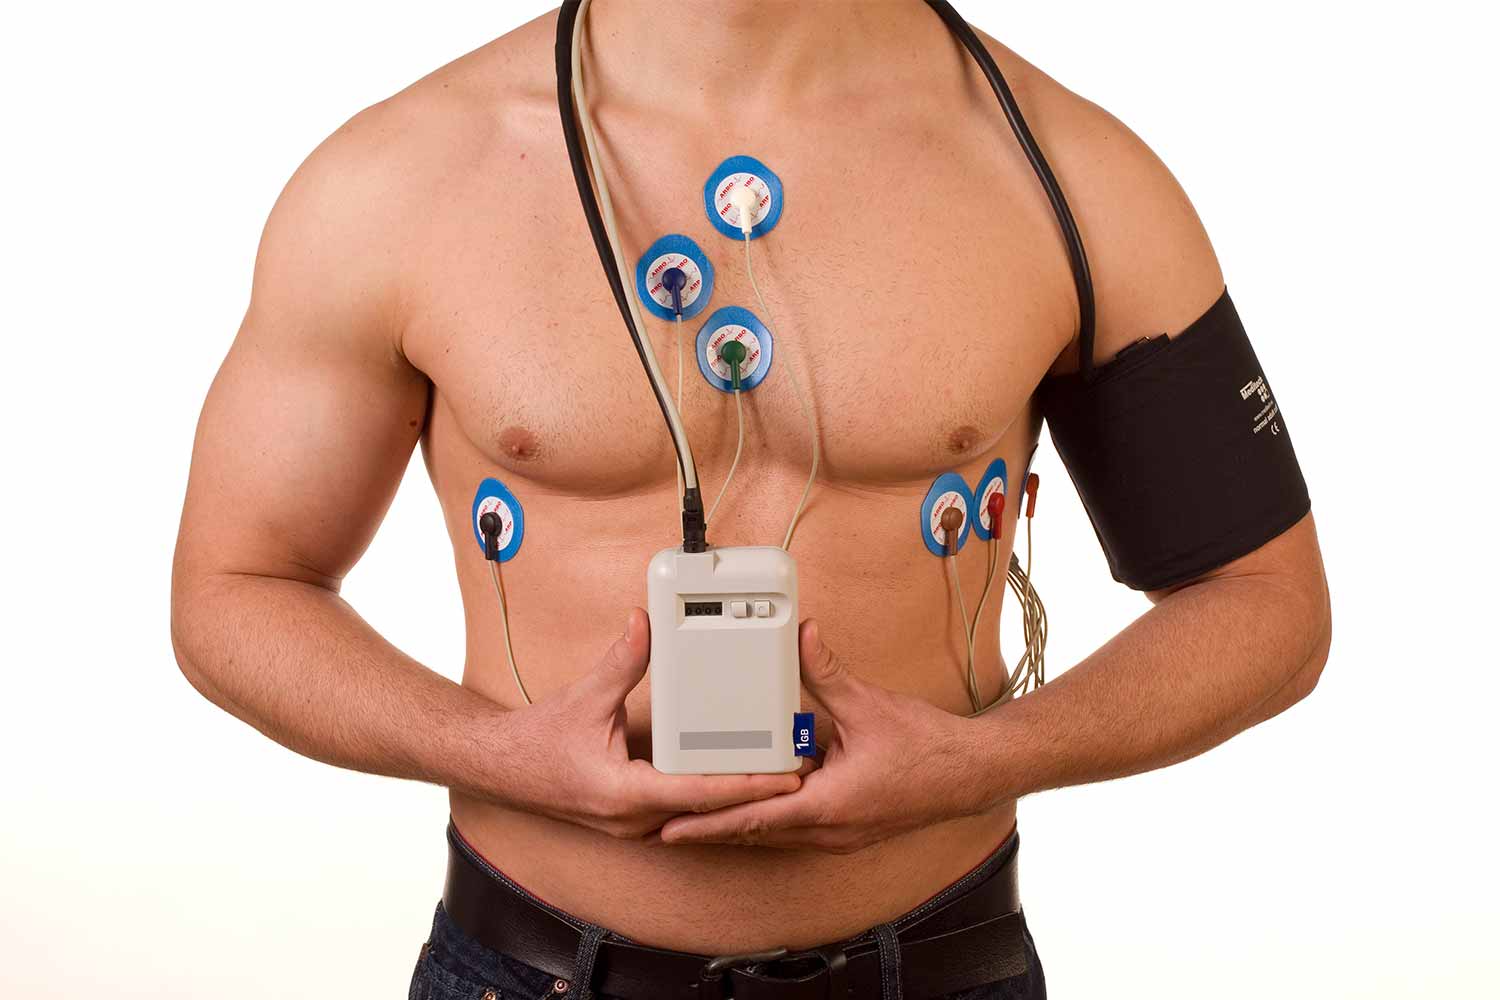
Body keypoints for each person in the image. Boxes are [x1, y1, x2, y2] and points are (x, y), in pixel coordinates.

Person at [171, 3, 1331, 997]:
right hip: (530, 966)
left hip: (941, 961)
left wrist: (984, 761)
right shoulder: (402, 178)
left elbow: (1265, 603)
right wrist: (501, 755)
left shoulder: (1066, 177)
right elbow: (235, 586)